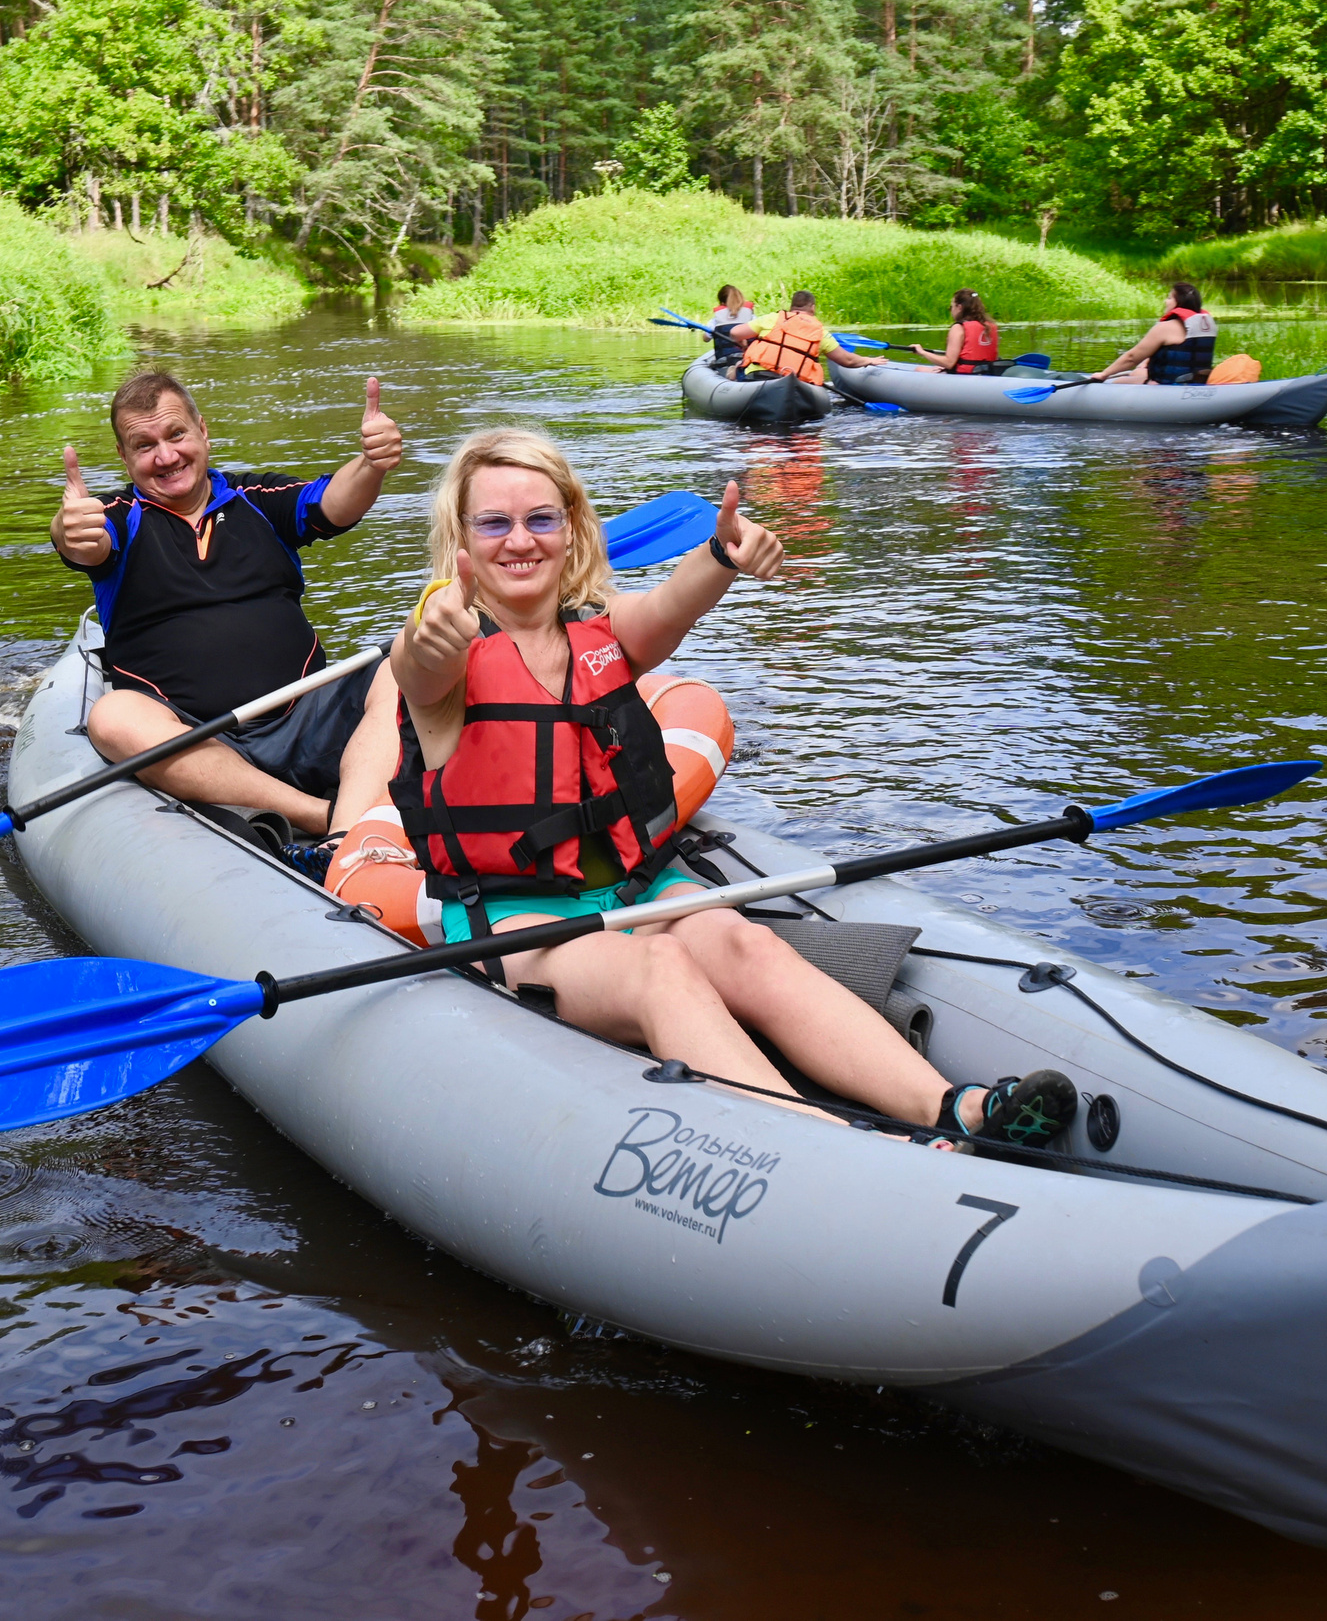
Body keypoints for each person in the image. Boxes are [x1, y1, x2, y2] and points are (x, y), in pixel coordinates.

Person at [389, 425, 1082, 1150]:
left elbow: (668, 606)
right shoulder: (445, 657)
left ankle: (950, 1105)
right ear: (461, 539)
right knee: (660, 967)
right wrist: (429, 634)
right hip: (516, 927)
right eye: (494, 523)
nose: (520, 540)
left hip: (629, 892)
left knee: (738, 940)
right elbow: (419, 666)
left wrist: (723, 554)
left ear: (571, 528)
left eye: (541, 518)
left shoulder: (600, 632)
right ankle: (830, 1143)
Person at [50, 369, 404, 838]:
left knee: (406, 664)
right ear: (123, 457)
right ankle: (324, 819)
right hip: (194, 739)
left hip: (307, 716)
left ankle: (350, 826)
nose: (166, 455)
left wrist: (371, 464)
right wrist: (67, 529)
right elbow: (84, 544)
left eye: (176, 434)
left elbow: (334, 504)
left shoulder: (255, 497)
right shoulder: (114, 516)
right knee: (113, 717)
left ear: (203, 430)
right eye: (144, 444)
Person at [728, 291, 879, 387]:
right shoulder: (820, 332)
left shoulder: (773, 318)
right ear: (812, 308)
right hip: (796, 384)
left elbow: (735, 333)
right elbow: (847, 360)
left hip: (758, 377)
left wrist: (742, 343)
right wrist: (868, 360)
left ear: (792, 307)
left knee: (738, 366)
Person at [1092, 282, 1218, 385]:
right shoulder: (1204, 326)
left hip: (1168, 386)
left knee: (1117, 381)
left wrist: (1104, 374)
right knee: (1138, 372)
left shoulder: (1165, 327)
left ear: (1179, 302)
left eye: (1169, 298)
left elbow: (1131, 358)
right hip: (1198, 382)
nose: (1165, 301)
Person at [912, 288, 1001, 374]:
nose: (951, 311)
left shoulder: (959, 328)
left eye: (951, 307)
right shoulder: (991, 326)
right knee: (937, 368)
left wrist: (922, 352)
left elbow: (949, 363)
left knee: (919, 369)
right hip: (988, 372)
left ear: (959, 307)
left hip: (966, 375)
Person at [706, 284, 755, 365]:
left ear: (721, 302)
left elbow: (706, 339)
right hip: (748, 359)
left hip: (724, 359)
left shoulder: (716, 319)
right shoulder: (752, 316)